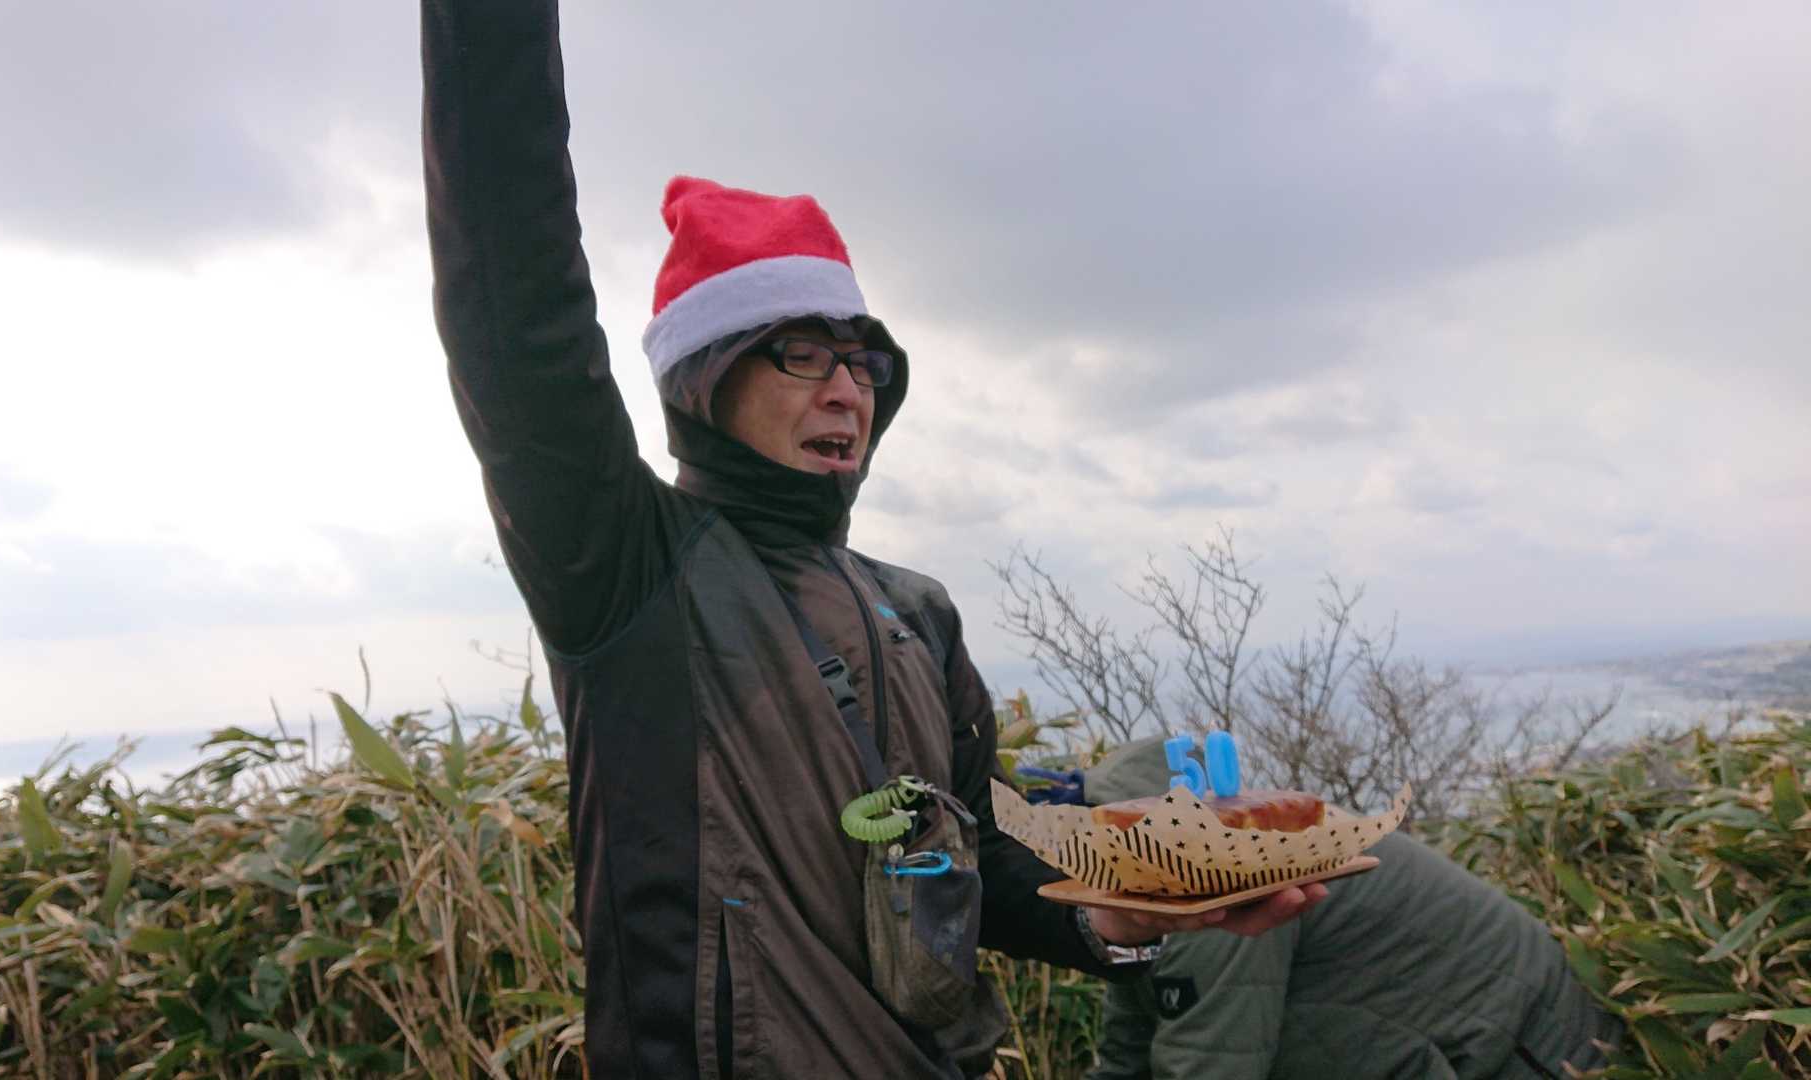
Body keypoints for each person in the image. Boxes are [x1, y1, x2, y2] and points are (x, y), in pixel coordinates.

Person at [418, 2, 1324, 1075]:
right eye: (802, 354)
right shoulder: (628, 570)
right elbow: (513, 294)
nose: (847, 388)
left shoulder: (916, 612)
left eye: (863, 361)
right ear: (705, 380)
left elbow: (979, 856)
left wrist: (1119, 913)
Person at [1079, 740, 1624, 1079]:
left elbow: (1211, 1062)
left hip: (1533, 1053)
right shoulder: (1149, 903)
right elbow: (1130, 1045)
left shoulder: (1232, 885)